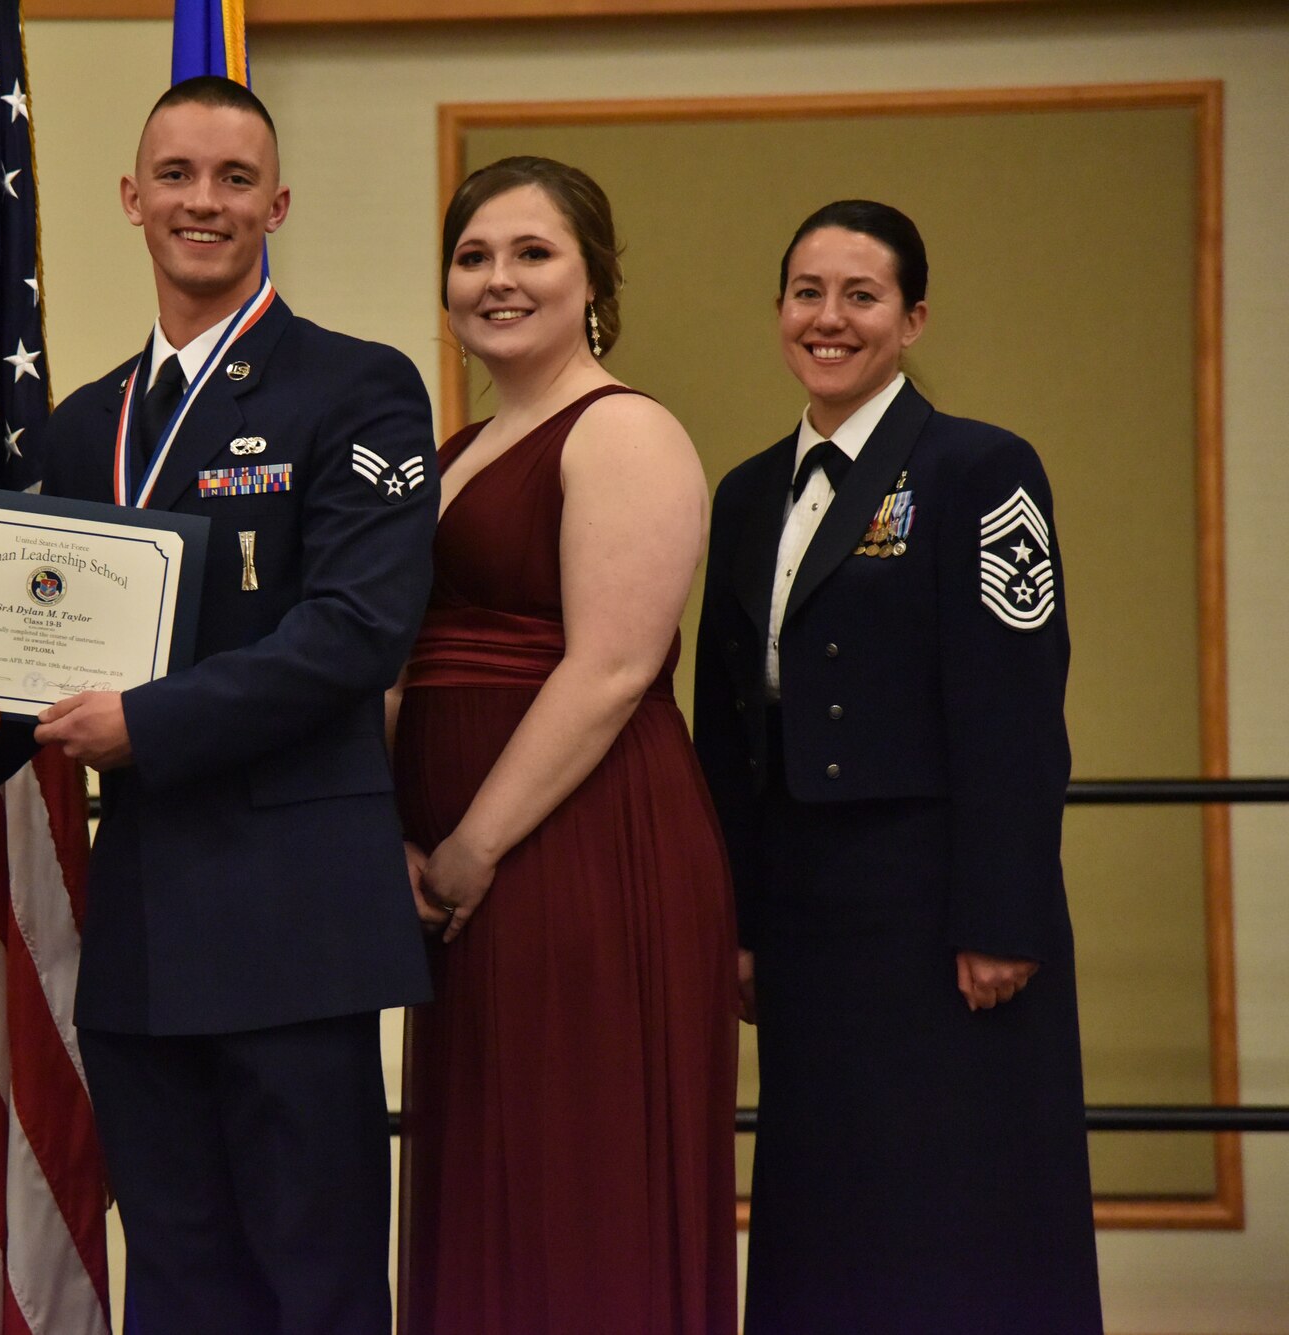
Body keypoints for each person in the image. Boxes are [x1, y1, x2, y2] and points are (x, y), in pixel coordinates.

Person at [0, 75, 438, 1335]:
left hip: (294, 916)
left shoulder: (360, 388)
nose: (203, 201)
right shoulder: (79, 428)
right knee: (175, 1280)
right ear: (131, 200)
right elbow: (40, 648)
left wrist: (149, 725)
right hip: (142, 924)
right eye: (175, 175)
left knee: (317, 1277)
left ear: (276, 204)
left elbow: (356, 630)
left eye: (235, 180)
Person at [691, 199, 1102, 1333]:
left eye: (858, 296)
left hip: (942, 915)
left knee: (964, 1204)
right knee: (828, 1202)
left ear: (911, 318)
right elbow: (724, 724)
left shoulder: (978, 468)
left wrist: (1002, 916)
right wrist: (730, 918)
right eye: (806, 293)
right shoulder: (739, 494)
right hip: (805, 916)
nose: (828, 319)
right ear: (778, 311)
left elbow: (1015, 711)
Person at [391, 156, 738, 1334]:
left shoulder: (625, 431)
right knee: (488, 1163)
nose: (498, 280)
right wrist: (390, 835)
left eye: (532, 254)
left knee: (574, 1176)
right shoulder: (452, 451)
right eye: (473, 256)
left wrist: (468, 848)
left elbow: (611, 668)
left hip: (582, 850)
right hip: (455, 874)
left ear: (592, 278)